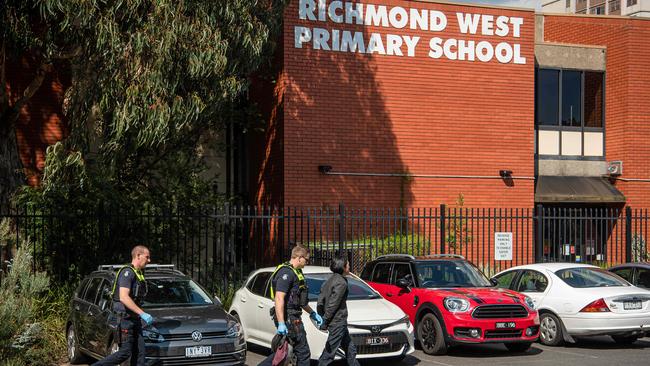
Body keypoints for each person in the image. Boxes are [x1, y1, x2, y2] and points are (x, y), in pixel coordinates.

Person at [259, 245, 323, 366]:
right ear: (299, 258)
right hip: (290, 318)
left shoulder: (296, 273)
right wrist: (282, 323)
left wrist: (313, 313)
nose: (307, 262)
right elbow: (279, 298)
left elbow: (299, 300)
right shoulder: (286, 273)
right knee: (303, 353)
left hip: (292, 317)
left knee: (283, 352)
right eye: (307, 259)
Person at [93, 245, 153, 366]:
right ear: (138, 256)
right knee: (125, 353)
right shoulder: (127, 273)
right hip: (125, 320)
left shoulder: (139, 273)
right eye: (147, 257)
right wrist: (142, 313)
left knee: (140, 354)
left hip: (135, 320)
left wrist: (140, 314)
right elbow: (124, 297)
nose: (149, 260)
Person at [317, 256, 359, 366]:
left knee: (351, 350)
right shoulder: (341, 283)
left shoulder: (328, 281)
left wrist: (322, 316)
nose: (349, 267)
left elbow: (320, 302)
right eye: (348, 265)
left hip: (338, 322)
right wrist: (325, 321)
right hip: (337, 322)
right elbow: (333, 304)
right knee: (329, 354)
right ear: (343, 267)